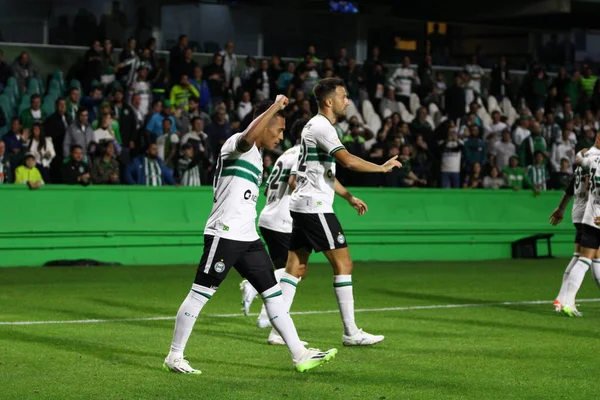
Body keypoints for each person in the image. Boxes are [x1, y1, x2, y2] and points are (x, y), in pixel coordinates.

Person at [163, 96, 337, 375]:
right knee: (199, 294)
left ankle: (300, 354)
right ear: (265, 124)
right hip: (224, 234)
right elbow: (247, 136)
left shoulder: (258, 158)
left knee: (273, 294)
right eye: (278, 129)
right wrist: (274, 108)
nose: (281, 136)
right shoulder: (236, 145)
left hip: (248, 237)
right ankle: (174, 355)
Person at [265, 78, 400, 347]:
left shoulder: (317, 127)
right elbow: (348, 161)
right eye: (344, 96)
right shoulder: (321, 127)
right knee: (343, 264)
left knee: (295, 267)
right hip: (315, 207)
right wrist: (382, 168)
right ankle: (350, 332)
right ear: (329, 101)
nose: (347, 101)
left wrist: (349, 196)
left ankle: (277, 330)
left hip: (302, 205)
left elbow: (323, 172)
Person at [240, 118, 308, 329]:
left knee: (288, 273)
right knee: (296, 271)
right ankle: (252, 284)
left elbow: (268, 189)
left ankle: (265, 317)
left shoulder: (285, 154)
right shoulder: (302, 153)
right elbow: (294, 181)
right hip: (284, 220)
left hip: (269, 217)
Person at [557, 135, 600, 317]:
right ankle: (567, 300)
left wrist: (580, 154)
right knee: (584, 259)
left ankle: (565, 300)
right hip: (596, 216)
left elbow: (579, 162)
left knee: (592, 258)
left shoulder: (590, 159)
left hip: (588, 214)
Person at [549, 150, 589, 314]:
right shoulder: (593, 166)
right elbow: (588, 187)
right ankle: (567, 300)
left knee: (580, 257)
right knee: (589, 258)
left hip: (578, 213)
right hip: (590, 215)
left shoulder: (582, 167)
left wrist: (561, 208)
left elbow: (569, 190)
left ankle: (561, 298)